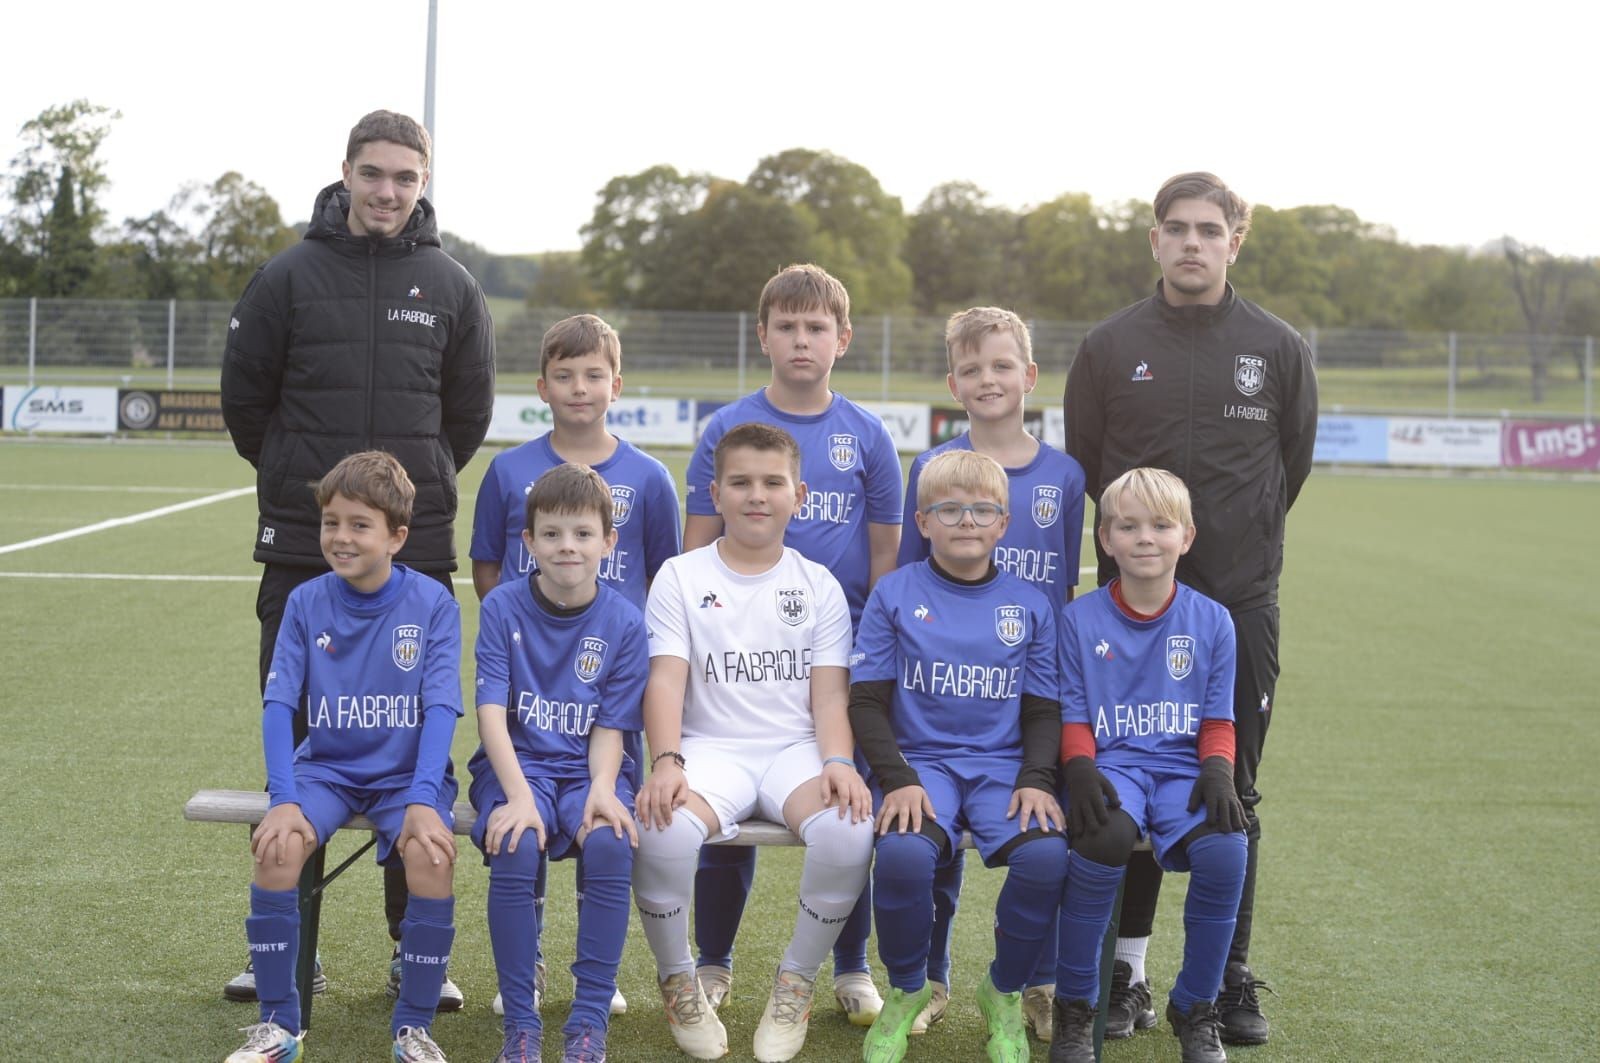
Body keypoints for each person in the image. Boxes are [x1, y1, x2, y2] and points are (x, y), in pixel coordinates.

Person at [220, 108, 495, 1009]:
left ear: (423, 184)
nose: (387, 192)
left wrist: (400, 497)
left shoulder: (451, 285)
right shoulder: (288, 276)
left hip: (410, 560)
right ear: (344, 174)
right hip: (305, 551)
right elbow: (245, 403)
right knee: (297, 742)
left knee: (411, 739)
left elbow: (465, 419)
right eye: (372, 175)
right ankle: (286, 956)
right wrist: (311, 485)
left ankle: (405, 948)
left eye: (404, 178)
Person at [1062, 171, 1316, 1045]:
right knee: (1121, 780)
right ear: (1155, 239)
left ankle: (1228, 976)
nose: (1193, 242)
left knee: (1229, 788)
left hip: (1239, 605)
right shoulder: (1109, 345)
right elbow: (1090, 461)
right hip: (1130, 610)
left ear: (1236, 240)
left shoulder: (1278, 348)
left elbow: (1291, 464)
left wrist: (1231, 546)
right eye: (1177, 228)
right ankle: (1126, 974)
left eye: (1211, 228)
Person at [682, 264, 901, 1024]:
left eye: (817, 328)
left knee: (850, 801)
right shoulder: (725, 428)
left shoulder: (868, 436)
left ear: (842, 339)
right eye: (787, 326)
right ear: (764, 334)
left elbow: (884, 561)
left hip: (835, 663)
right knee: (726, 817)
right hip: (743, 664)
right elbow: (694, 551)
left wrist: (869, 662)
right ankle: (712, 960)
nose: (801, 340)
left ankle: (850, 963)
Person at [634, 423, 876, 1062]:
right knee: (661, 826)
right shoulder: (680, 577)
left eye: (772, 483)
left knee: (850, 827)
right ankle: (679, 981)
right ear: (715, 492)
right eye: (740, 482)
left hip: (795, 750)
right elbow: (665, 679)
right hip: (709, 748)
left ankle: (794, 984)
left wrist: (838, 761)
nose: (756, 496)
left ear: (798, 494)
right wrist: (666, 762)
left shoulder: (819, 584)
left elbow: (828, 696)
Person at [469, 313, 679, 1019]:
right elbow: (490, 570)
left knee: (606, 824)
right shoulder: (508, 469)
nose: (580, 387)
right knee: (520, 832)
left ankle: (597, 970)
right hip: (533, 690)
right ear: (542, 386)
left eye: (594, 374)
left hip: (609, 696)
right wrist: (535, 646)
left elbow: (663, 578)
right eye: (565, 374)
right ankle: (521, 965)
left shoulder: (648, 476)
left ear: (616, 384)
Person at [224, 451, 462, 1063]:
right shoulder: (305, 601)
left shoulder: (433, 603)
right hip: (327, 768)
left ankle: (413, 1028)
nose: (341, 536)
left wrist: (420, 801)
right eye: (332, 522)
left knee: (431, 855)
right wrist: (282, 801)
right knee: (277, 847)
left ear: (397, 536)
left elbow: (441, 710)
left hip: (406, 775)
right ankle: (279, 1027)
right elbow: (279, 705)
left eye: (360, 524)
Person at [896, 307, 1086, 1040]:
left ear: (1029, 376)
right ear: (953, 382)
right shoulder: (933, 467)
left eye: (1002, 366)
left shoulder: (1064, 475)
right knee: (930, 837)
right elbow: (920, 590)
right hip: (945, 699)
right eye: (971, 369)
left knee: (1048, 830)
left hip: (1032, 691)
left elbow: (1063, 585)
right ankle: (933, 979)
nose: (988, 380)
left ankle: (1033, 982)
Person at [850, 450, 1068, 1063]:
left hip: (1002, 768)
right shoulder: (895, 594)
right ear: (922, 522)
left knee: (1048, 855)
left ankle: (1002, 993)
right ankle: (908, 989)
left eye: (982, 510)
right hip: (922, 766)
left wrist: (1036, 778)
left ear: (1004, 523)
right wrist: (896, 779)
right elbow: (865, 702)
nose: (965, 521)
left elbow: (1043, 710)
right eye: (949, 509)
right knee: (899, 854)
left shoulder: (1029, 604)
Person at [1049, 467, 1247, 1063]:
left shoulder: (1212, 620)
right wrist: (1079, 768)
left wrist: (1217, 770)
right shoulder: (1079, 619)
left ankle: (1195, 1008)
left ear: (1186, 537)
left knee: (1227, 848)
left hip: (1181, 770)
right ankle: (1076, 1008)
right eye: (1128, 526)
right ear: (1105, 538)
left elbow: (1217, 719)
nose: (1145, 538)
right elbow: (1075, 715)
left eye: (1161, 526)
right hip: (1112, 769)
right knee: (1101, 839)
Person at [470, 463, 648, 1063]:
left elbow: (611, 725)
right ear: (528, 543)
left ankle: (588, 1023)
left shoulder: (624, 620)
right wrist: (518, 796)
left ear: (608, 541)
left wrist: (603, 786)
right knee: (516, 842)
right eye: (551, 534)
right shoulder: (501, 608)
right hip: (516, 765)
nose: (566, 546)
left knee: (609, 843)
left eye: (581, 533)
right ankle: (521, 1025)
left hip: (589, 768)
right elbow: (491, 712)